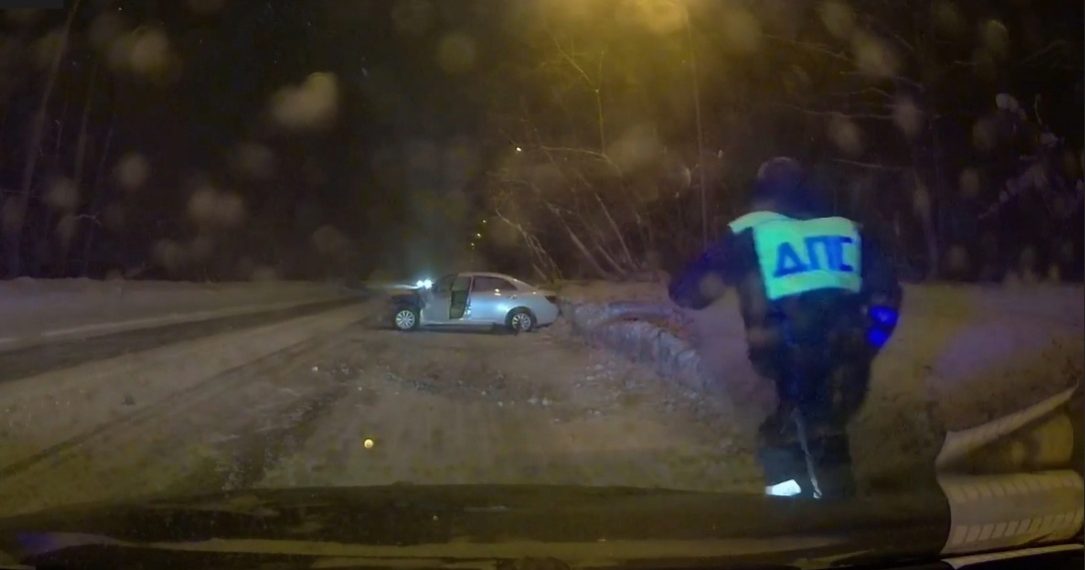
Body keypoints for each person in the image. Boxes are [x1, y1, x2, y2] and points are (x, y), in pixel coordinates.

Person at [668, 157, 902, 499]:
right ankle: (838, 516)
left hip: (791, 361)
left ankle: (794, 526)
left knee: (786, 447)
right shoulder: (846, 230)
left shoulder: (753, 232)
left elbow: (687, 292)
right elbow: (888, 296)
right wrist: (869, 342)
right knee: (826, 439)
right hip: (847, 363)